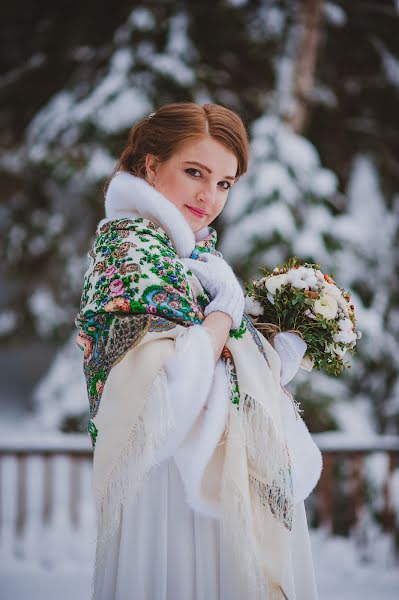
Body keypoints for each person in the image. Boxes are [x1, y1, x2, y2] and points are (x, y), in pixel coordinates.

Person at [75, 102, 322, 600]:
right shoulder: (129, 250)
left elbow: (223, 374)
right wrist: (222, 318)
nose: (209, 197)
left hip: (214, 487)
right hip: (166, 495)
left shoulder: (195, 256)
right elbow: (166, 390)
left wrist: (275, 351)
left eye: (225, 183)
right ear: (150, 165)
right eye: (195, 172)